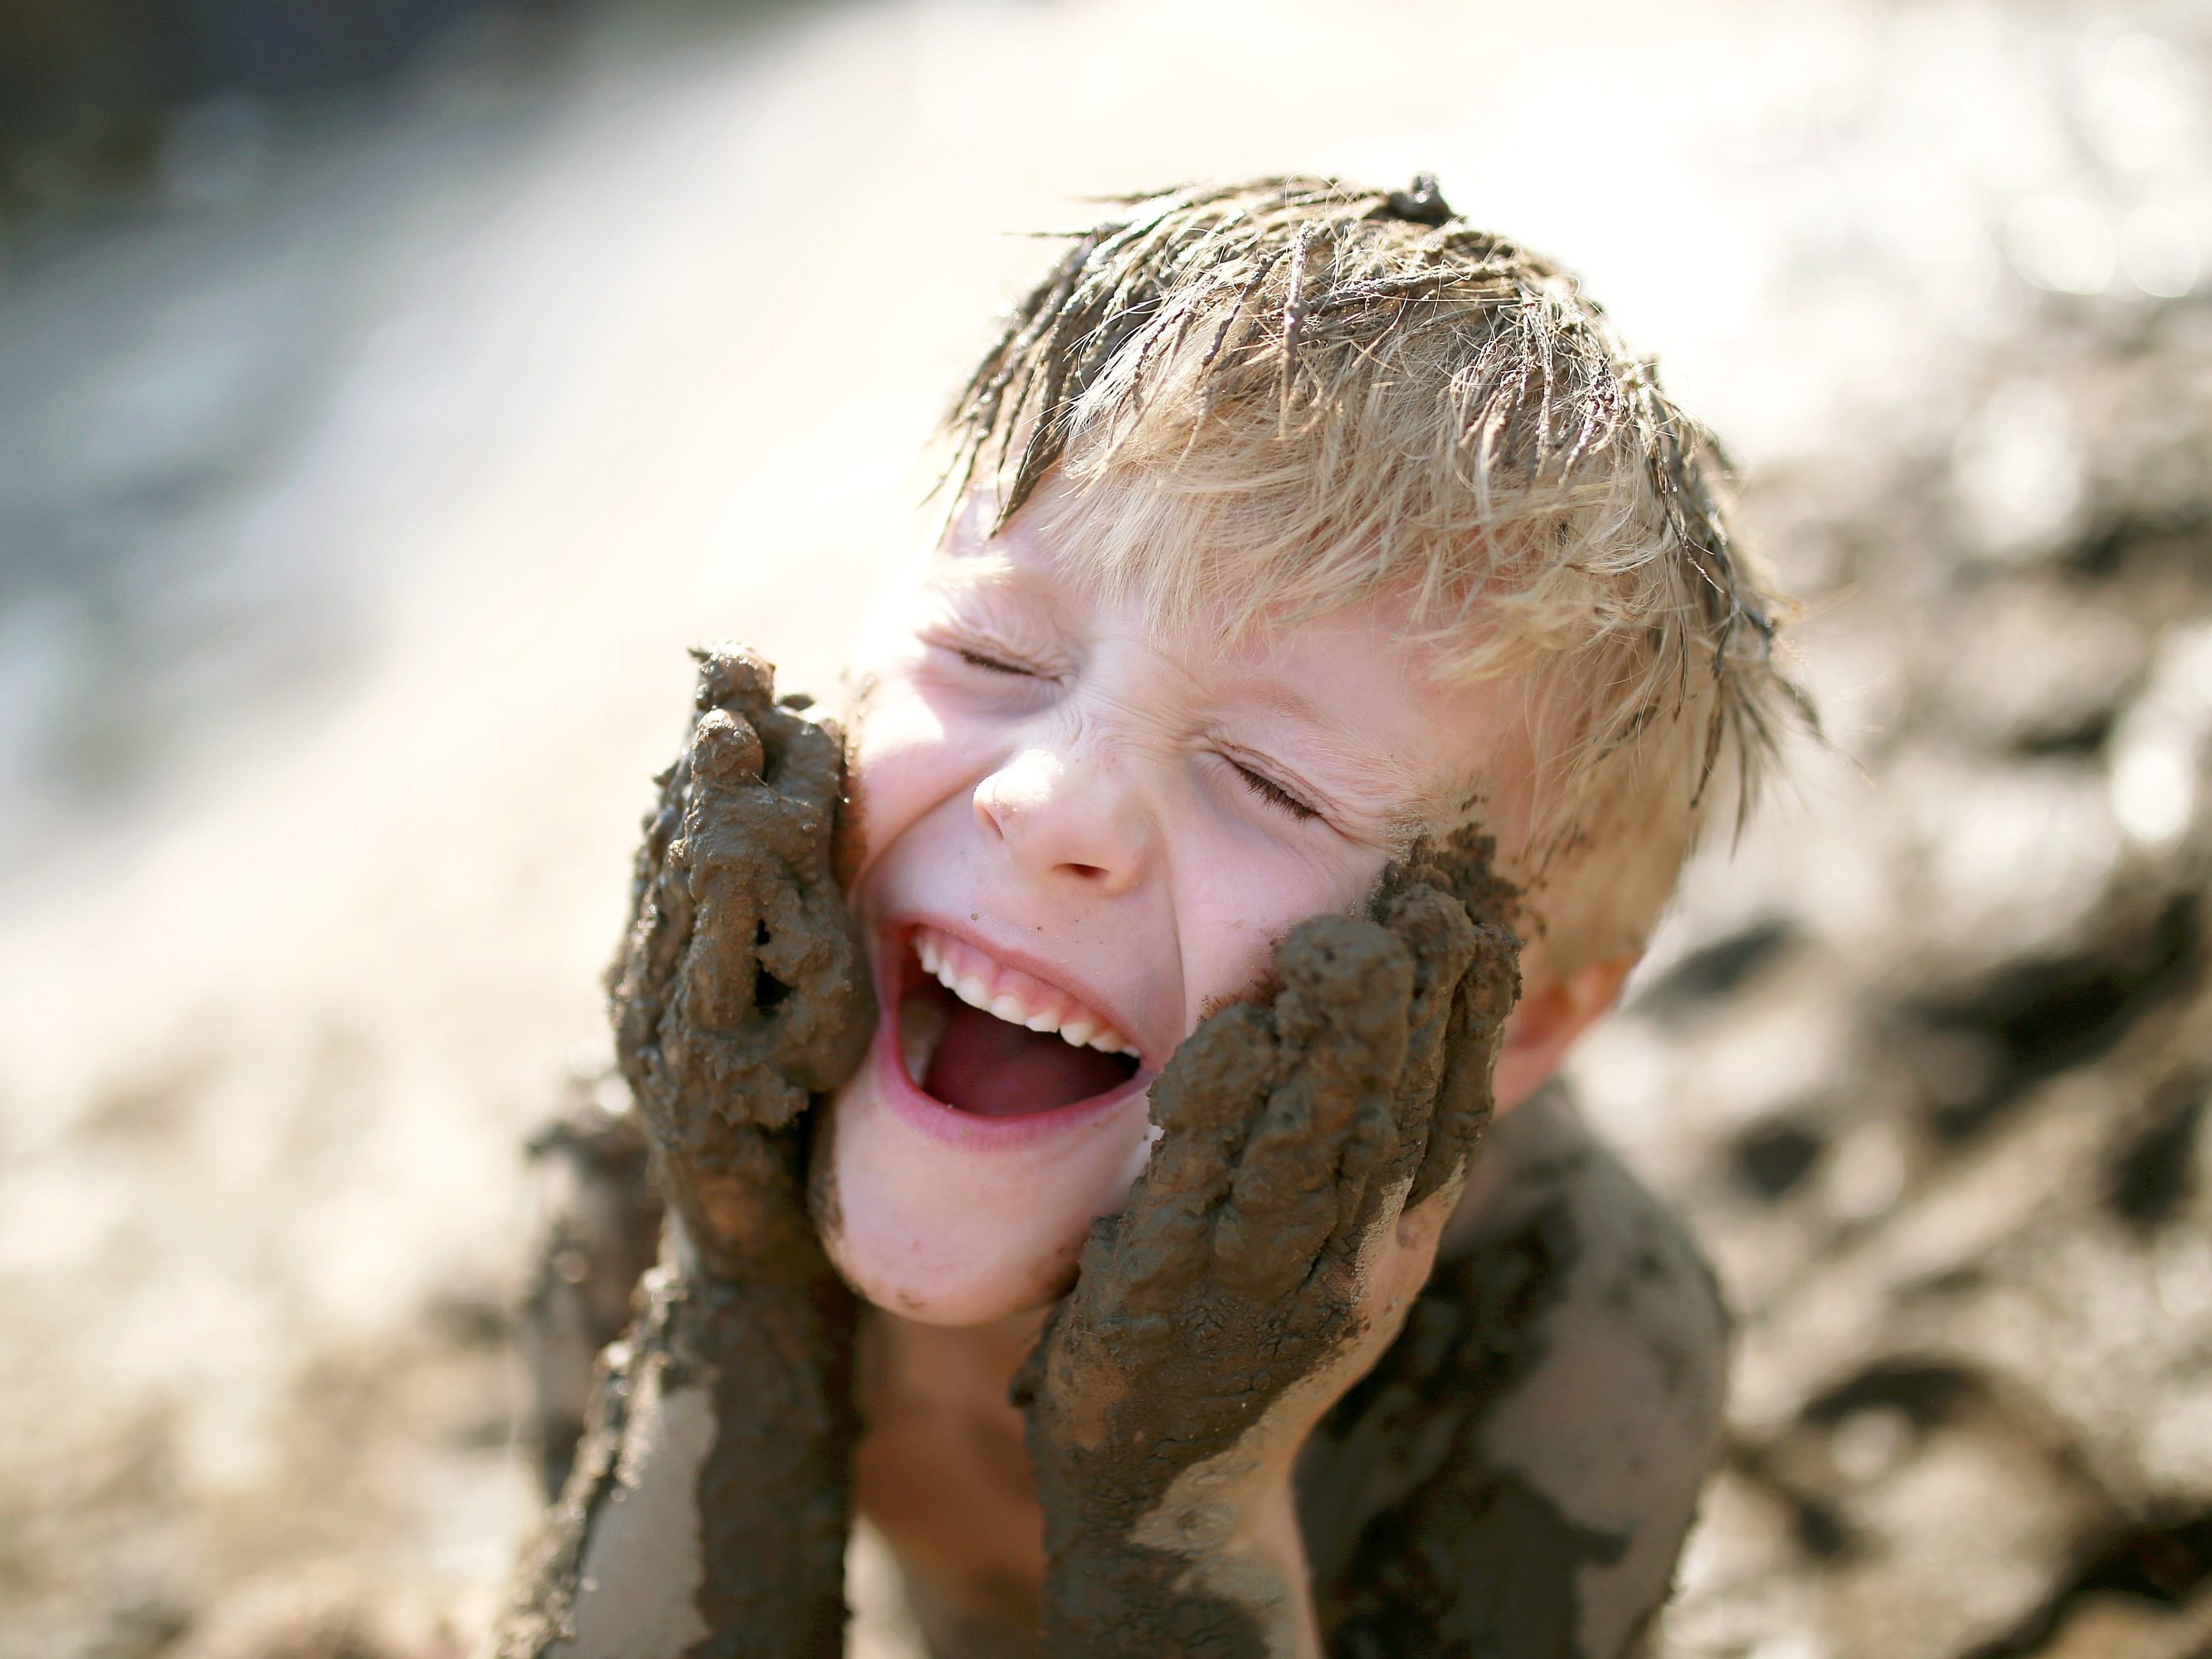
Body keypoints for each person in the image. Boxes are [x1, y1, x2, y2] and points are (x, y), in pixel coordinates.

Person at [495, 174, 1807, 1659]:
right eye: (989, 651)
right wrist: (737, 1296)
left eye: (1272, 782)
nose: (1052, 805)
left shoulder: (1573, 1338)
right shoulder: (648, 1164)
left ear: (1528, 1024)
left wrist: (1191, 1509)